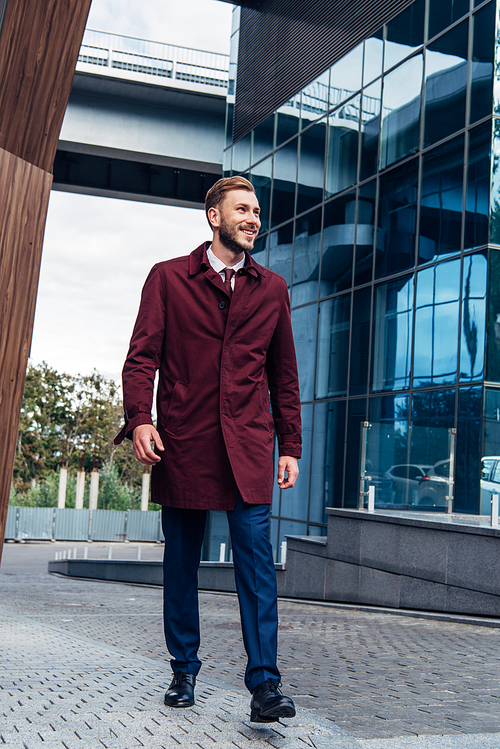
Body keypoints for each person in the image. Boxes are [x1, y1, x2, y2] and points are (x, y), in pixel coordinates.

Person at [114, 176, 302, 723]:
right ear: (213, 217)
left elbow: (283, 376)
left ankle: (265, 685)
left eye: (257, 211)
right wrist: (140, 420)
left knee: (257, 567)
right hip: (185, 442)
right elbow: (140, 358)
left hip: (247, 447)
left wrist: (288, 445)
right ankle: (183, 669)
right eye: (242, 209)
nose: (253, 218)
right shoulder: (168, 278)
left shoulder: (272, 289)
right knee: (181, 563)